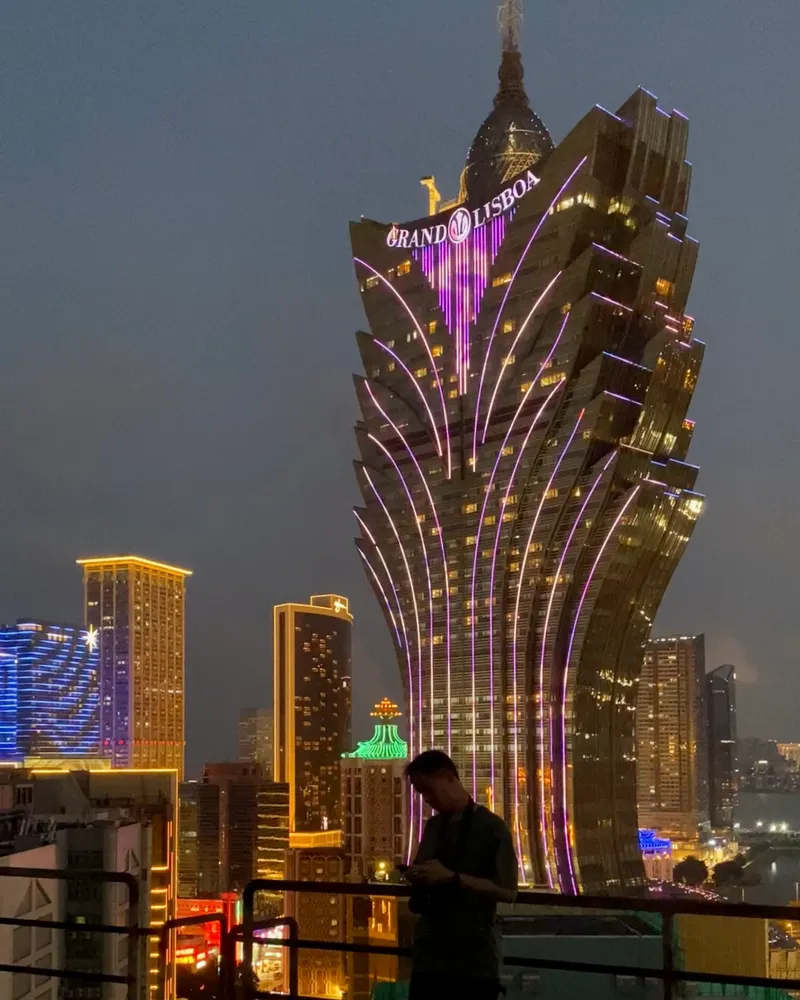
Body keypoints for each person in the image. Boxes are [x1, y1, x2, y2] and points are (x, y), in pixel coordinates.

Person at [403, 750, 518, 1000]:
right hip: (429, 958)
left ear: (448, 778)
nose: (426, 799)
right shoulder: (434, 826)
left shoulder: (492, 828)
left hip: (472, 961)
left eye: (428, 790)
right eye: (421, 793)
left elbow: (508, 891)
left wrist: (452, 878)